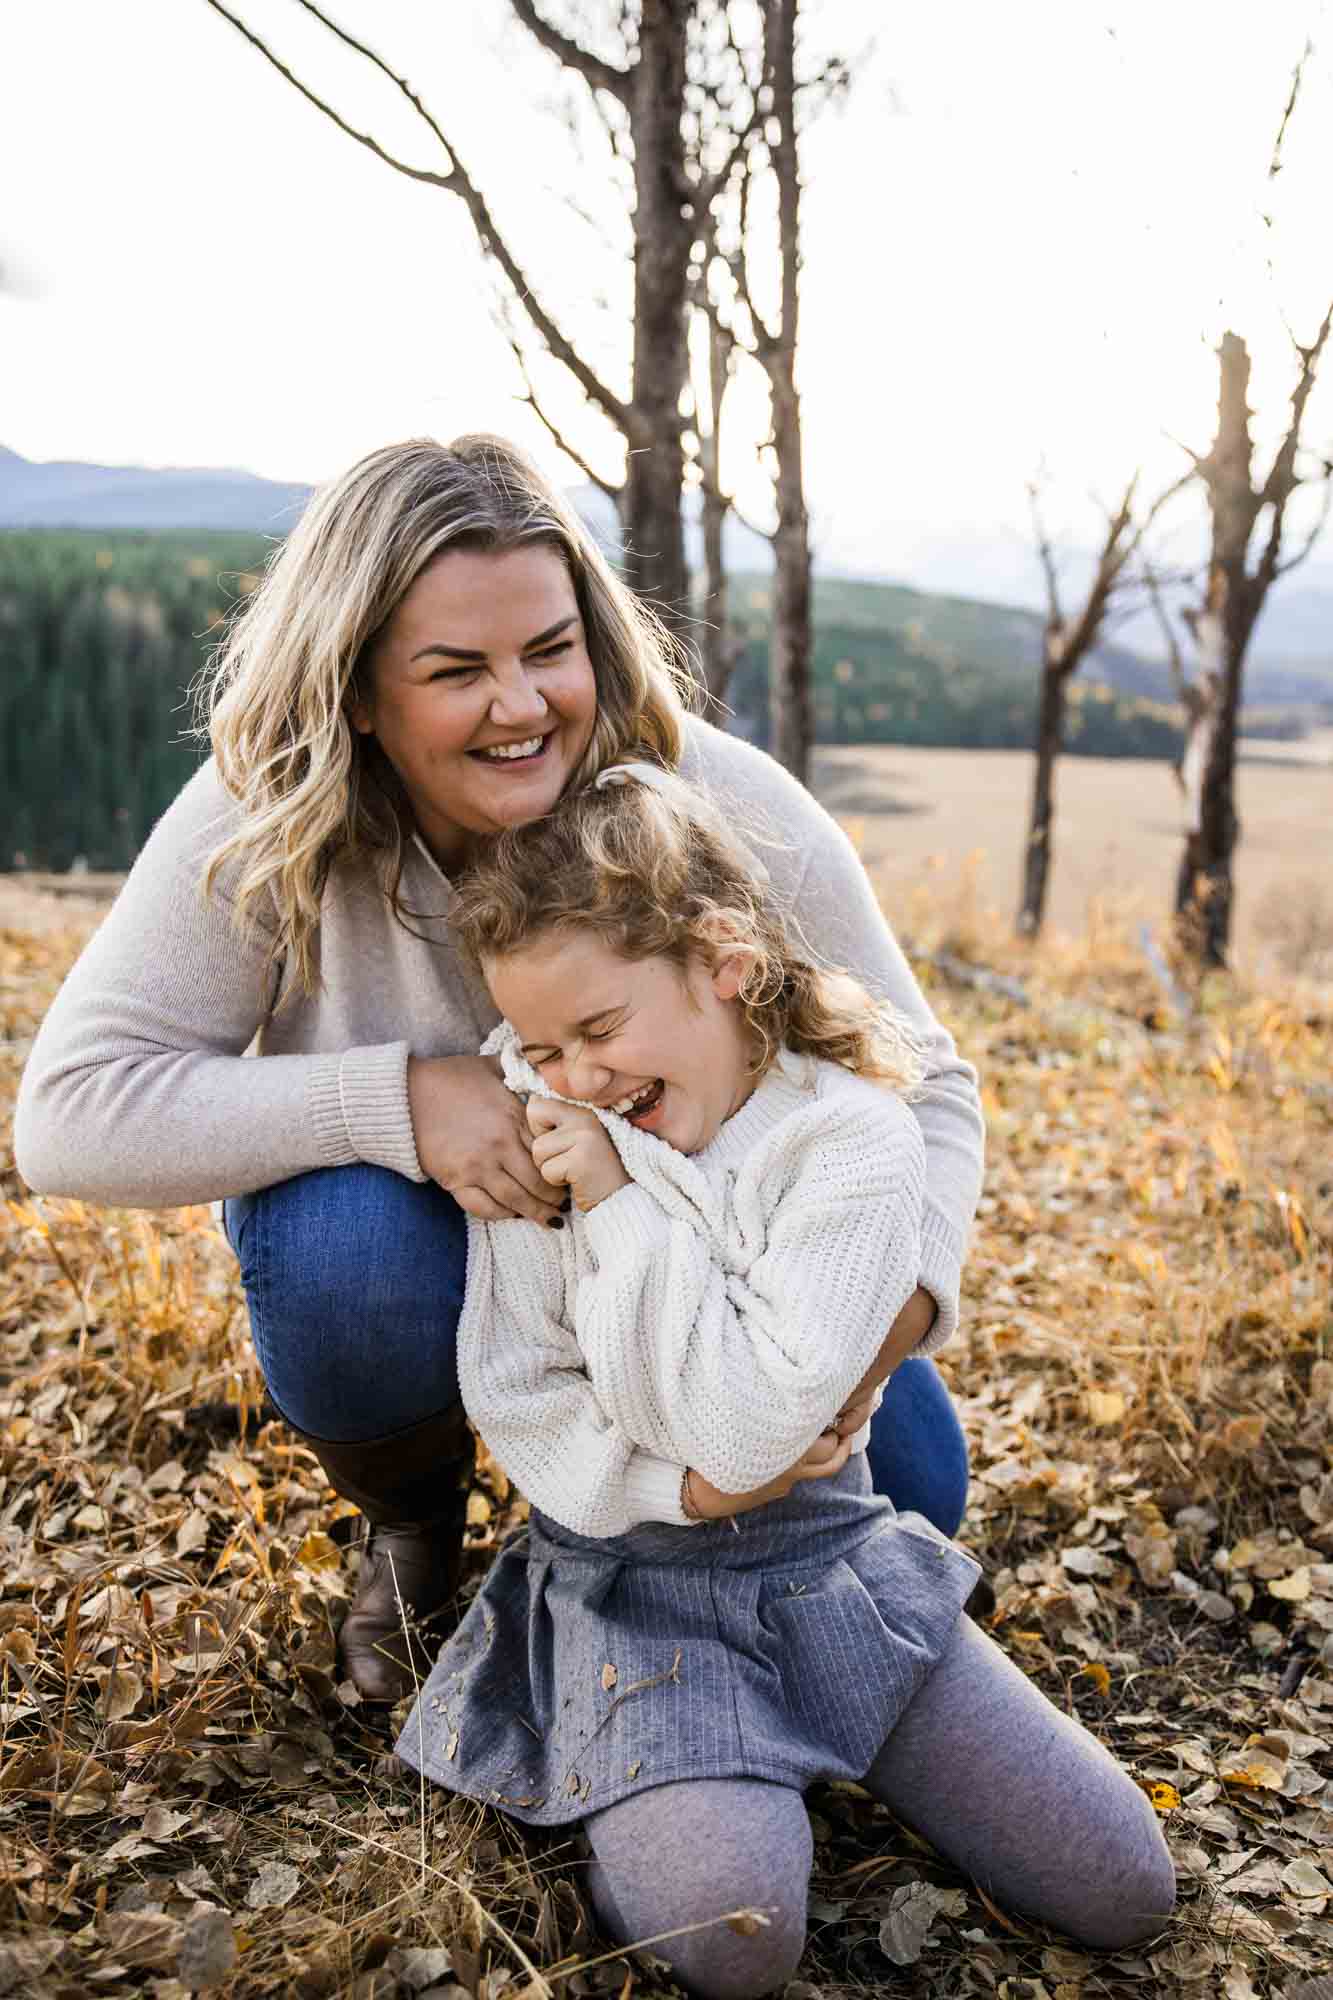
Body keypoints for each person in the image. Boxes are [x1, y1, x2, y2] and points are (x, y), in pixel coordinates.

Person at [14, 434, 982, 1701]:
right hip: (422, 1251)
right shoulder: (268, 812)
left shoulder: (714, 802)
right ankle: (416, 1521)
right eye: (455, 669)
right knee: (336, 1247)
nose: (521, 704)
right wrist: (398, 1102)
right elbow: (71, 1114)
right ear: (358, 689)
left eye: (548, 651)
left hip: (713, 1275)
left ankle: (637, 1532)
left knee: (916, 1481)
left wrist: (867, 1341)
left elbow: (932, 1084)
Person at [395, 763, 1176, 2000]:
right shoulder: (549, 1114)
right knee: (734, 1936)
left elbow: (749, 1421)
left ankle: (791, 1744)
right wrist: (680, 1489)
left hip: (828, 1560)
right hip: (629, 1580)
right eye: (542, 1044)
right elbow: (522, 1385)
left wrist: (615, 1204)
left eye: (601, 1030)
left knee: (1123, 1883)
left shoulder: (845, 1139)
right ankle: (650, 1779)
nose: (576, 1076)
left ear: (724, 961)